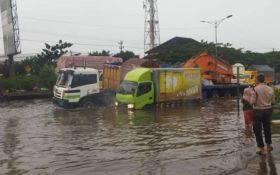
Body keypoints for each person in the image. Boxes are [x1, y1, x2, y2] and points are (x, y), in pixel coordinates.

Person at [250, 74, 275, 155]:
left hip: (258, 111)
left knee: (257, 130)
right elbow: (273, 101)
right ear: (264, 80)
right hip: (268, 111)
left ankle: (262, 149)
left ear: (257, 80)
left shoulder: (255, 89)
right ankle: (269, 145)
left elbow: (252, 102)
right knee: (267, 128)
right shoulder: (270, 89)